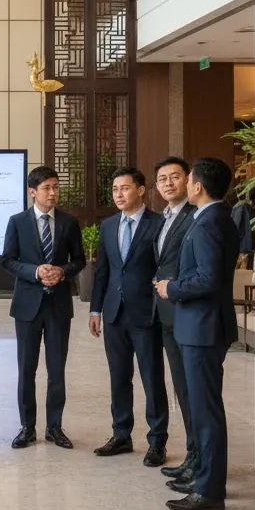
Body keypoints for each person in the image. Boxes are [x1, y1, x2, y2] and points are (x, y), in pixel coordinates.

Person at [154, 157, 239, 510]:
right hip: (199, 325)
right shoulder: (212, 217)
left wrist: (172, 288)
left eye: (187, 179)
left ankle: (209, 490)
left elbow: (208, 278)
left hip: (202, 327)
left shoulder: (208, 222)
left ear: (198, 186)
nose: (185, 185)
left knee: (205, 412)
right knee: (203, 408)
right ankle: (202, 473)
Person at [2, 166, 85, 450]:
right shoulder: (17, 222)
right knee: (26, 369)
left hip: (58, 306)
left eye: (56, 187)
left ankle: (54, 427)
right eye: (47, 188)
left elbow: (80, 260)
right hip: (27, 305)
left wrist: (62, 271)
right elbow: (9, 260)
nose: (53, 193)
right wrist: (35, 271)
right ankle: (27, 427)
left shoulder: (69, 222)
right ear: (32, 192)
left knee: (56, 370)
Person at [89, 167, 168, 466]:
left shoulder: (158, 224)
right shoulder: (108, 225)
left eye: (124, 188)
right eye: (114, 190)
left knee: (151, 378)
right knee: (119, 377)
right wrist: (96, 309)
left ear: (141, 190)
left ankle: (157, 440)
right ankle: (121, 434)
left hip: (146, 314)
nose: (118, 194)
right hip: (114, 314)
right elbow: (103, 271)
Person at [151, 156, 198, 483]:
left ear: (189, 180)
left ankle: (199, 460)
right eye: (162, 179)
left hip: (187, 311)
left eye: (175, 177)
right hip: (166, 313)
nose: (168, 183)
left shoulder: (196, 216)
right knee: (182, 388)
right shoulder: (163, 217)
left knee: (193, 391)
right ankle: (193, 456)